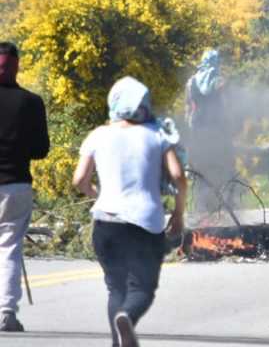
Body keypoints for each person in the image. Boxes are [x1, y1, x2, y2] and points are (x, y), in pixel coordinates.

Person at [72, 76, 187, 347]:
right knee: (143, 289)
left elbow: (79, 180)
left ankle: (119, 339)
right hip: (144, 224)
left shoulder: (98, 135)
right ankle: (127, 316)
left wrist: (96, 194)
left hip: (105, 223)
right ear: (144, 104)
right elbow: (178, 176)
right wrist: (179, 214)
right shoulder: (157, 134)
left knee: (116, 288)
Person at [0, 42, 49, 332]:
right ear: (16, 65)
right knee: (8, 249)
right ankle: (5, 313)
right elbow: (41, 149)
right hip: (15, 185)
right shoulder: (30, 102)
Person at [185, 49, 234, 217]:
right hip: (217, 132)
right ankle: (221, 207)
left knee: (200, 170)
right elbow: (227, 107)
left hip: (198, 132)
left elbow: (189, 108)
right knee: (221, 168)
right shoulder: (220, 81)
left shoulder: (191, 82)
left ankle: (201, 208)